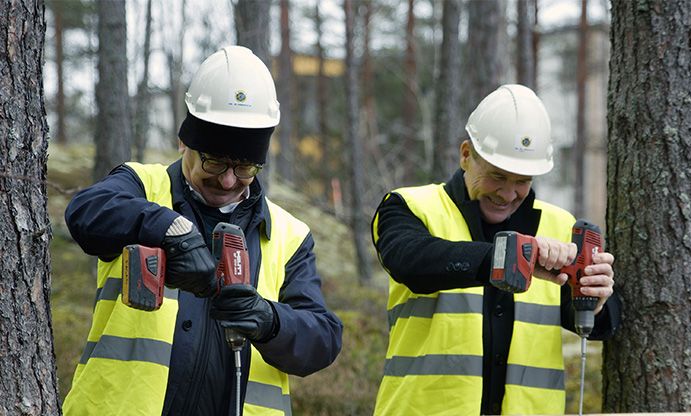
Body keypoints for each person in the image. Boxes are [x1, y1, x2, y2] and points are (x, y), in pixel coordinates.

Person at [62, 46, 342, 416]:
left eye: (245, 168)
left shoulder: (289, 235)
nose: (228, 180)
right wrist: (167, 227)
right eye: (214, 161)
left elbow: (322, 338)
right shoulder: (143, 187)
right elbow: (85, 212)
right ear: (184, 143)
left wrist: (270, 320)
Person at [371, 84, 620, 415]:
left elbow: (597, 325)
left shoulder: (560, 227)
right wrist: (504, 258)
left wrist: (598, 300)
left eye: (522, 181)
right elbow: (409, 262)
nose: (507, 193)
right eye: (496, 177)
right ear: (465, 155)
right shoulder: (410, 207)